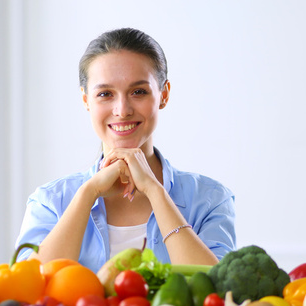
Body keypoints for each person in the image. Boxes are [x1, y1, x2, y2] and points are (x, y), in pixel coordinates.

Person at [15, 27, 236, 272]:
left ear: (164, 94)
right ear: (86, 100)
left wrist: (155, 191)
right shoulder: (50, 202)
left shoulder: (210, 200)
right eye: (105, 94)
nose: (122, 110)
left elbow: (216, 291)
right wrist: (88, 193)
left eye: (138, 92)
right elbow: (29, 289)